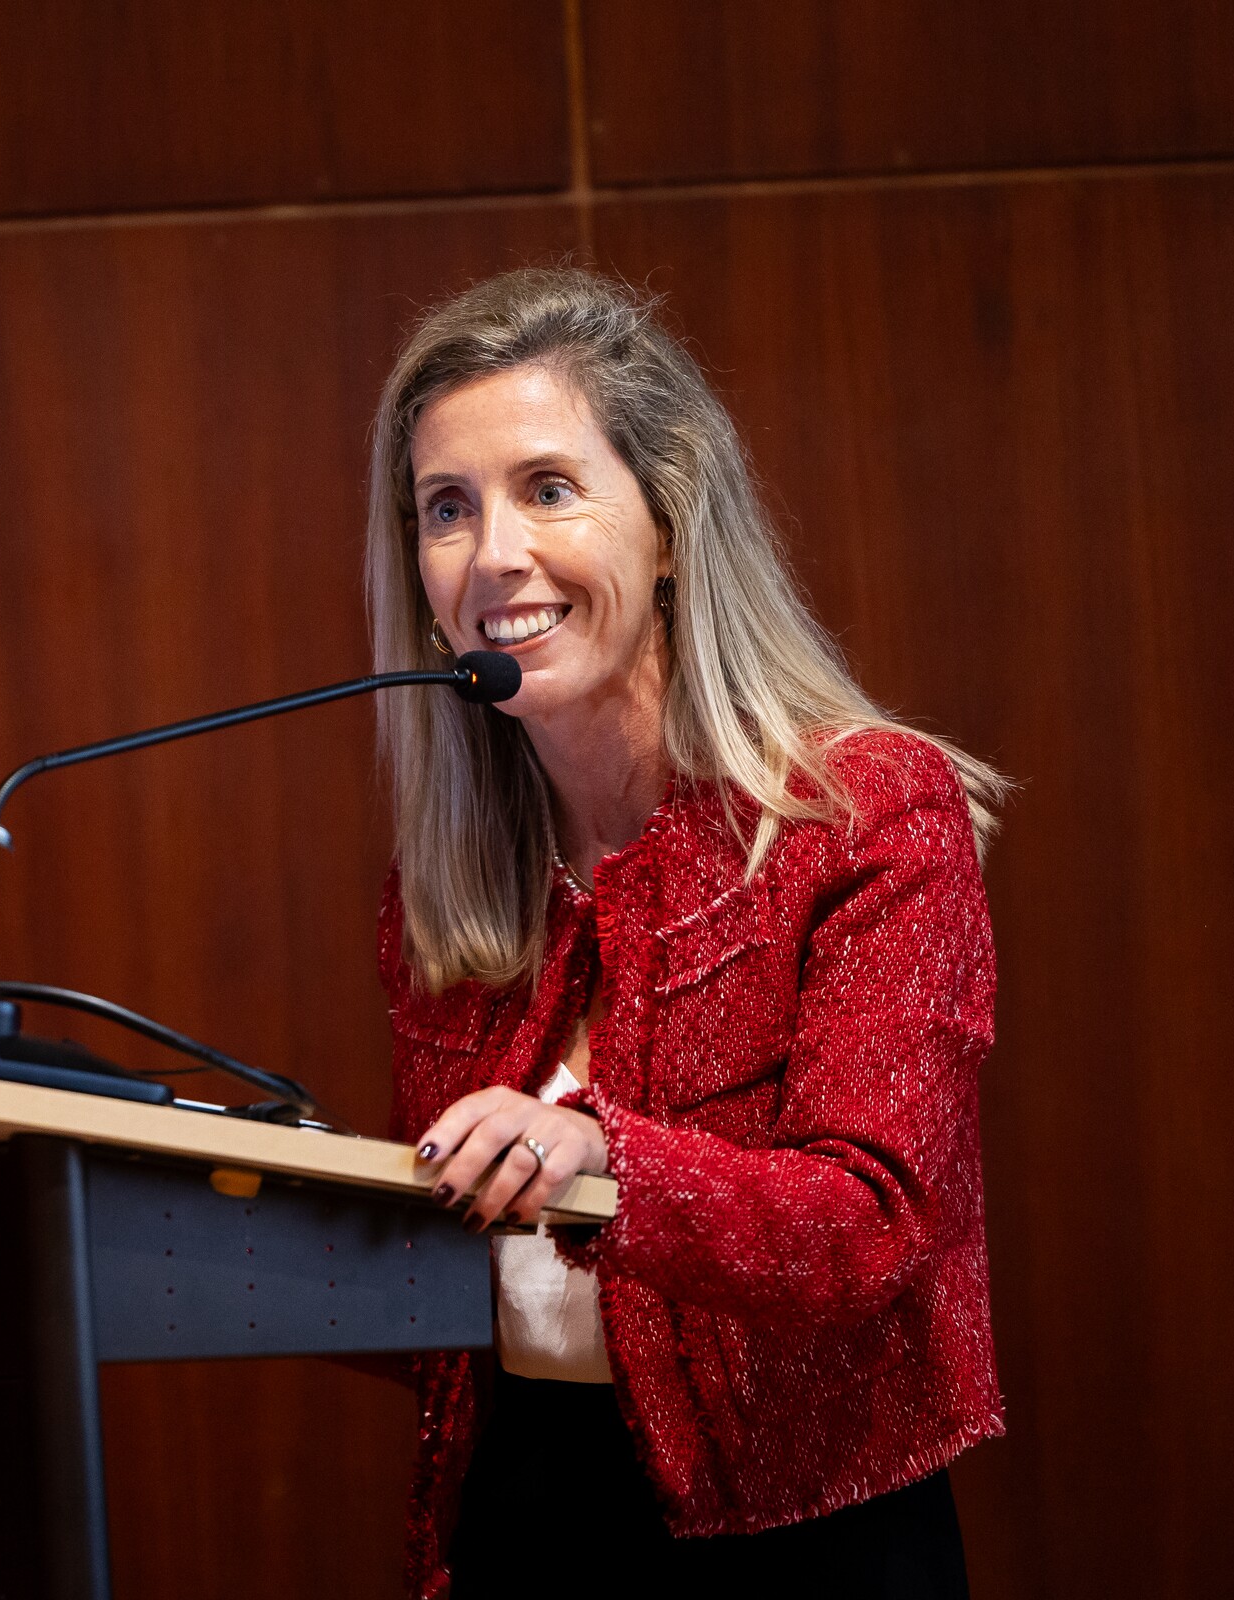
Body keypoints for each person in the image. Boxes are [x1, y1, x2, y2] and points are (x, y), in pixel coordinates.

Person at [367, 267, 1009, 1598]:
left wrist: (603, 1158)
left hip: (806, 1542)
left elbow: (874, 1222)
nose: (494, 555)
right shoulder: (450, 888)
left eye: (549, 488)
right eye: (447, 508)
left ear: (668, 527)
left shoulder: (864, 813)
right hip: (522, 1515)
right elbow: (456, 1284)